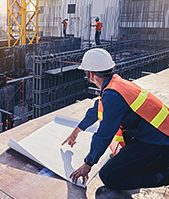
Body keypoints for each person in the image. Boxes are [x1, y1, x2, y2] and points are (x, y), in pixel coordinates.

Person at [62, 48, 169, 194]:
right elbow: (95, 110)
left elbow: (104, 134)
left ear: (91, 74)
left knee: (109, 176)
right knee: (118, 162)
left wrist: (88, 163)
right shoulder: (115, 84)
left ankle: (164, 176)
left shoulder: (112, 95)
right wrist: (76, 132)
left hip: (161, 144)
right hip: (155, 135)